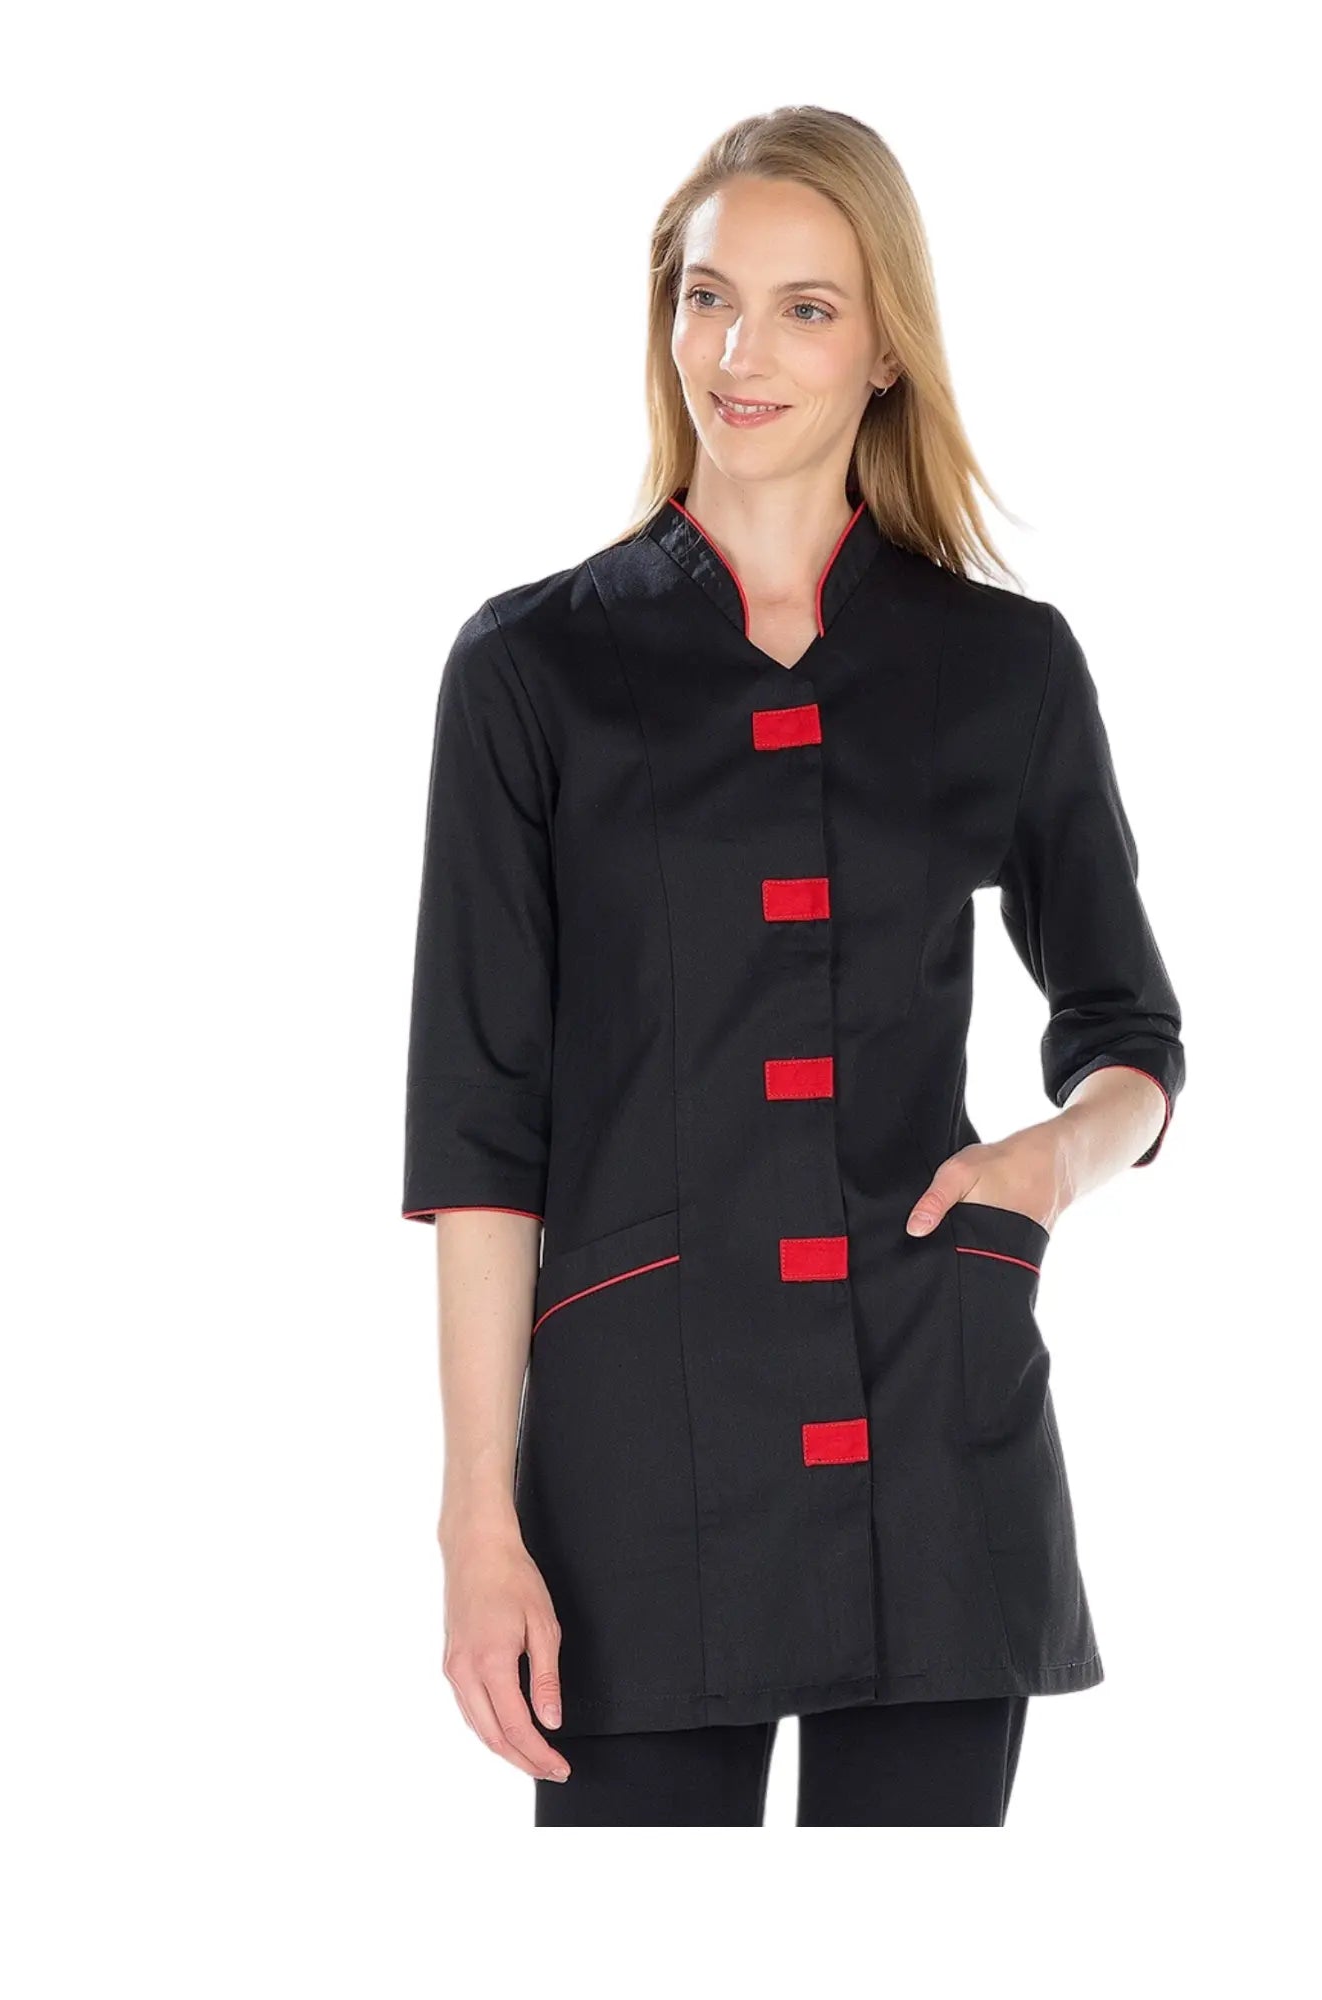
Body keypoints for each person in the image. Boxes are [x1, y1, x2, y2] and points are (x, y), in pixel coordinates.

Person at [401, 106, 1186, 1827]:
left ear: (887, 344)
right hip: (635, 1451)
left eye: (805, 308)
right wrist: (476, 1517)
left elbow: (1130, 1030)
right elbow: (481, 1127)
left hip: (935, 1425)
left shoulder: (1003, 666)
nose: (739, 353)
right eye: (709, 298)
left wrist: (1056, 1162)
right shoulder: (531, 671)